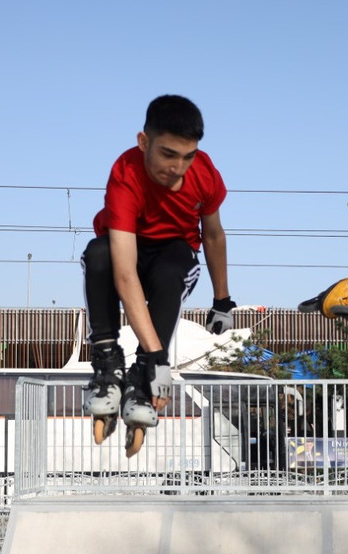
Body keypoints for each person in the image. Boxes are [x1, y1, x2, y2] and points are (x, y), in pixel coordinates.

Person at [81, 94, 235, 436]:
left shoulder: (205, 173)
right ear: (144, 142)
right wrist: (159, 358)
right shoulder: (126, 172)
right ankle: (108, 365)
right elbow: (124, 272)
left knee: (172, 270)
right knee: (98, 254)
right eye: (168, 154)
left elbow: (213, 236)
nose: (178, 168)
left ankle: (142, 376)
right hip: (127, 252)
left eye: (187, 157)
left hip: (172, 254)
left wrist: (222, 301)